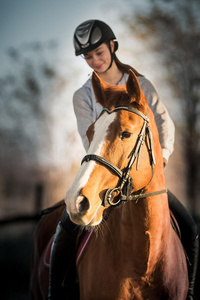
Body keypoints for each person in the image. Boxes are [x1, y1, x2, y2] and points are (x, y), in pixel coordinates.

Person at [48, 20, 199, 300]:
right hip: (105, 173)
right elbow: (89, 138)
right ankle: (54, 295)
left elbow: (165, 124)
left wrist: (160, 161)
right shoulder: (83, 96)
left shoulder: (141, 85)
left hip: (143, 173)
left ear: (112, 47)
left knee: (189, 227)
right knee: (66, 227)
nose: (95, 60)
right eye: (88, 56)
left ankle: (188, 293)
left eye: (99, 52)